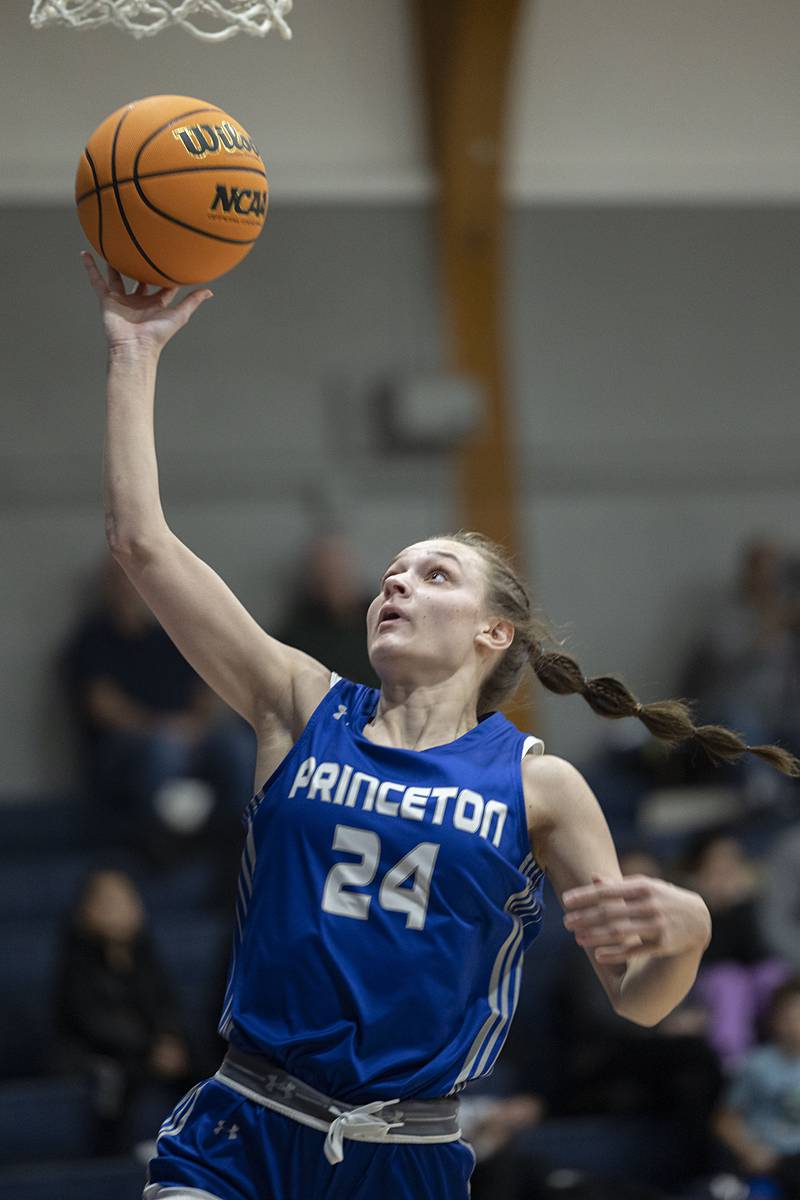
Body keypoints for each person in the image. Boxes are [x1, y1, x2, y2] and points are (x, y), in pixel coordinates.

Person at [81, 253, 799, 1200]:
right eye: (392, 569)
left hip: (405, 1158)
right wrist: (134, 354)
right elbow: (142, 544)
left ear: (492, 631)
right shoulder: (300, 702)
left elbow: (638, 999)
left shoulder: (541, 785)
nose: (396, 582)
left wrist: (691, 934)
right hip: (243, 1128)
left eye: (434, 575)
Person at [62, 554, 256, 860]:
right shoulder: (92, 639)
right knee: (163, 749)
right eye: (123, 578)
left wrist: (193, 726)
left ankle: (238, 836)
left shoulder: (168, 636)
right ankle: (161, 843)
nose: (132, 587)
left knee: (236, 744)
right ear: (109, 585)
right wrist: (161, 728)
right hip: (125, 747)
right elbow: (102, 706)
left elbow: (205, 690)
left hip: (188, 734)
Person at [53, 868, 192, 1152]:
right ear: (84, 911)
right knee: (116, 1075)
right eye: (107, 903)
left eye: (126, 900)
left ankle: (198, 1143)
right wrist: (149, 1047)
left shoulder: (144, 953)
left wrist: (168, 1039)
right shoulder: (77, 959)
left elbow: (165, 1003)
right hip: (99, 1051)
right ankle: (117, 1152)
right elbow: (89, 1020)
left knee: (201, 1058)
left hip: (149, 1046)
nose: (119, 910)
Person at [712, 977, 800, 1198]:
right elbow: (725, 1120)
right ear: (775, 1019)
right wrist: (752, 1151)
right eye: (790, 1016)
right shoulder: (757, 1064)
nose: (795, 1023)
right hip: (764, 1161)